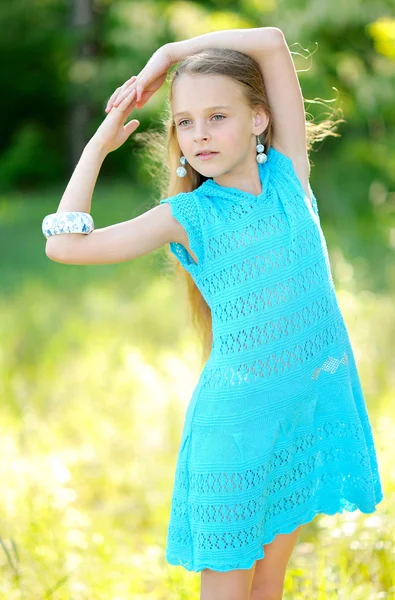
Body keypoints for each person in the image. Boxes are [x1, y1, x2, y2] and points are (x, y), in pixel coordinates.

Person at [43, 27, 384, 600]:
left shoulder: (287, 175)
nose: (198, 134)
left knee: (270, 585)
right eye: (184, 121)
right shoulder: (188, 214)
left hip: (301, 415)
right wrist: (97, 146)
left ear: (258, 119)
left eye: (217, 116)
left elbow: (273, 42)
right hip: (236, 432)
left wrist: (172, 54)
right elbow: (65, 245)